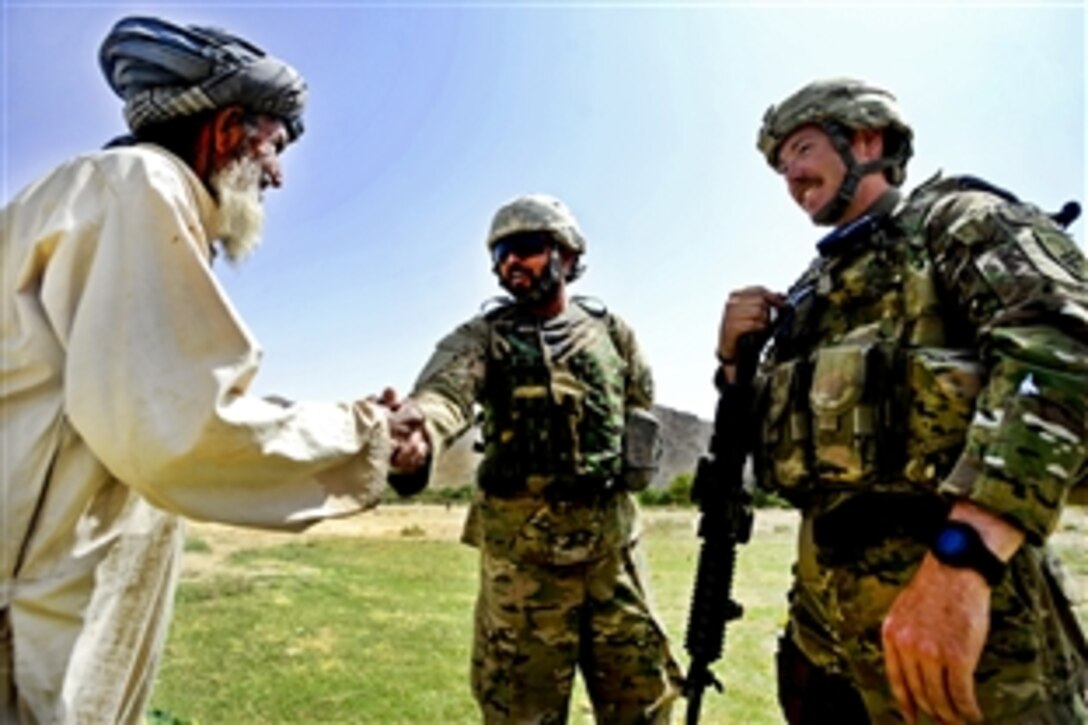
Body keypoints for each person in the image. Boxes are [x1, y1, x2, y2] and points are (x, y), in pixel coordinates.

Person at [0, 16, 412, 722]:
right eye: (275, 145)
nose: (279, 174)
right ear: (225, 131)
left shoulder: (89, 190)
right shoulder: (138, 186)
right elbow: (183, 424)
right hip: (30, 619)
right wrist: (369, 432)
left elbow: (159, 391)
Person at [716, 77, 1088, 724]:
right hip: (831, 646)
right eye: (781, 167)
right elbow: (776, 441)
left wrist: (962, 560)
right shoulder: (810, 292)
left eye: (801, 150)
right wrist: (732, 364)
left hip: (968, 640)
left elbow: (1061, 349)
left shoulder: (956, 221)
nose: (791, 178)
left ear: (865, 138)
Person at [386, 194, 682, 723]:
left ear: (567, 255)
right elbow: (444, 395)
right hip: (524, 568)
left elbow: (639, 404)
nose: (509, 264)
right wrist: (420, 433)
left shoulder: (611, 331)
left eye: (524, 248)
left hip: (612, 556)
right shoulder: (484, 337)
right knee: (521, 714)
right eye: (499, 254)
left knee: (644, 705)